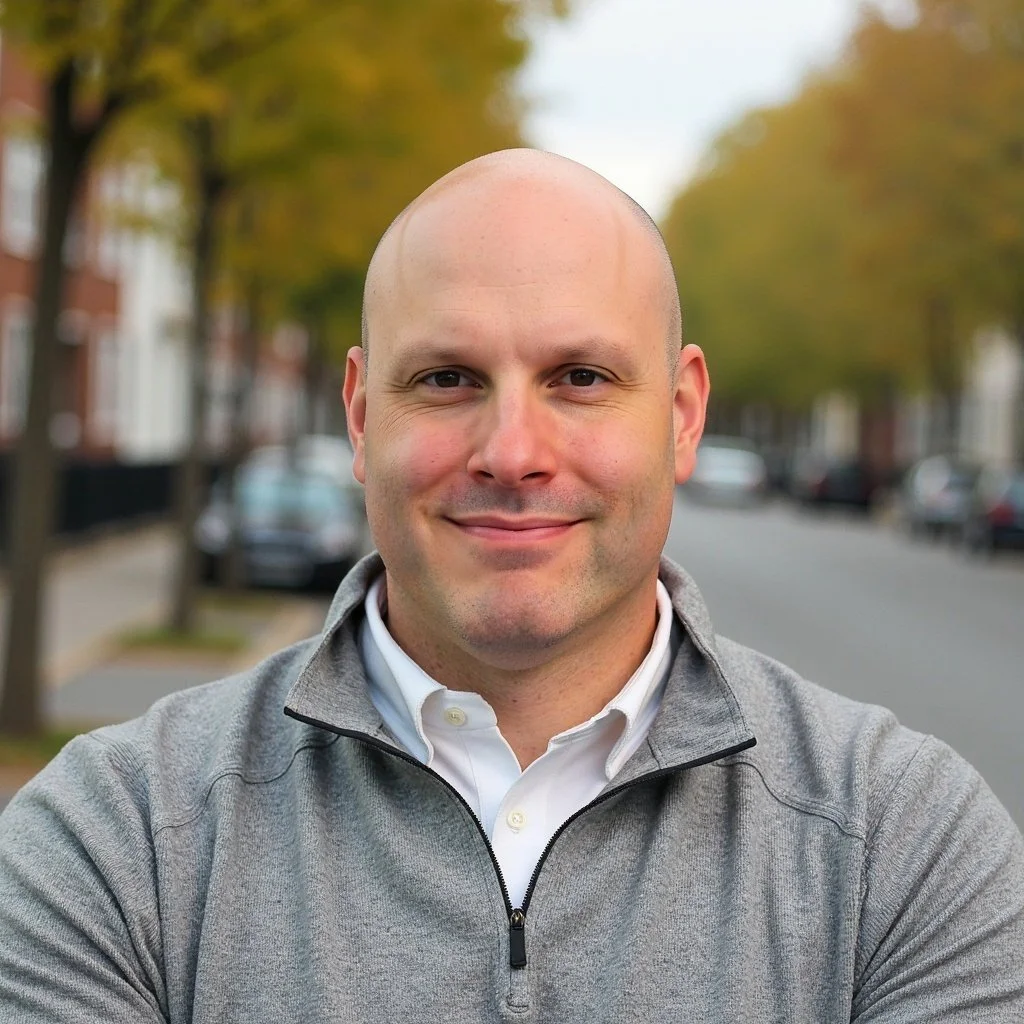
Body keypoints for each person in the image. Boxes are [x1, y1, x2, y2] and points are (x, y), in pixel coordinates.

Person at [1, 149, 1022, 1022]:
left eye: (580, 378)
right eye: (447, 378)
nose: (513, 452)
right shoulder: (116, 842)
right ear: (361, 416)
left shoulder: (904, 845)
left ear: (681, 414)